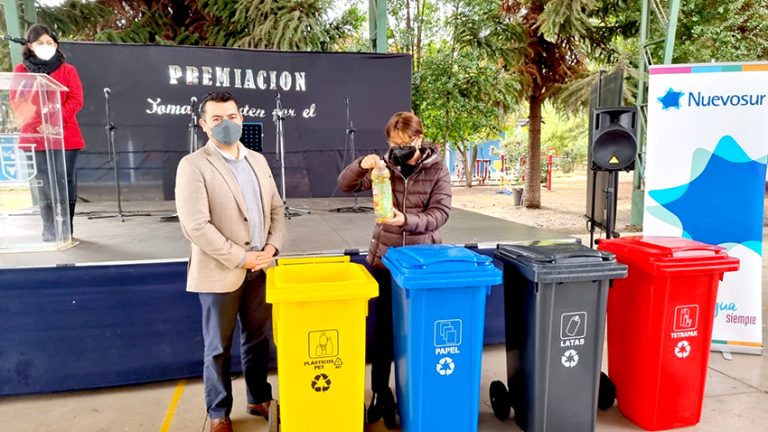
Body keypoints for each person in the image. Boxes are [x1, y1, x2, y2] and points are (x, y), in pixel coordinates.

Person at [175, 91, 285, 432]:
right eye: (217, 119)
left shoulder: (258, 161)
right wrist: (241, 257)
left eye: (232, 117)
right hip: (221, 269)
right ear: (203, 125)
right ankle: (219, 412)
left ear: (242, 118)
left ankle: (258, 397)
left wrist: (272, 249)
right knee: (217, 346)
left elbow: (277, 210)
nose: (226, 124)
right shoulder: (193, 165)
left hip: (261, 266)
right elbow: (195, 225)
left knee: (257, 338)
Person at [337, 111, 452, 429]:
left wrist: (407, 221)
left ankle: (412, 391)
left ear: (418, 138)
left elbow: (440, 213)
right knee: (383, 332)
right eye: (392, 143)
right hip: (385, 261)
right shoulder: (382, 166)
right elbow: (344, 185)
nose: (397, 148)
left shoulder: (438, 169)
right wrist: (362, 164)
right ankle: (379, 392)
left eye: (404, 143)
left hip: (420, 265)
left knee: (415, 332)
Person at [13, 24, 84, 241]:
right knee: (43, 182)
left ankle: (66, 230)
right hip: (35, 137)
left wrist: (55, 120)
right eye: (40, 43)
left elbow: (76, 100)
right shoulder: (21, 71)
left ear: (56, 45)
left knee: (65, 180)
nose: (46, 46)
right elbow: (19, 101)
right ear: (30, 46)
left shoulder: (68, 70)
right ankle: (49, 230)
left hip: (65, 135)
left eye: (50, 43)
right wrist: (39, 124)